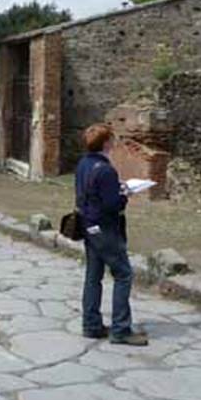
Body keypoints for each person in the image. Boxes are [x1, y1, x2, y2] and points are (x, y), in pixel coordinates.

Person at [76, 123, 148, 346]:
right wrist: (125, 193)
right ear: (106, 143)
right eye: (112, 139)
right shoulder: (106, 170)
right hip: (106, 228)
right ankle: (121, 329)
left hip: (88, 225)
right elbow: (113, 205)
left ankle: (91, 325)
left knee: (93, 276)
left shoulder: (83, 164)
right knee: (123, 274)